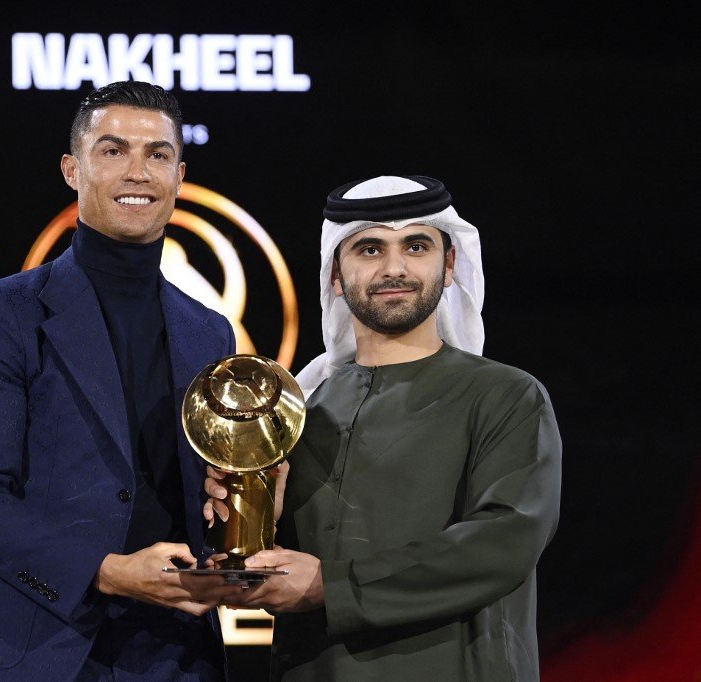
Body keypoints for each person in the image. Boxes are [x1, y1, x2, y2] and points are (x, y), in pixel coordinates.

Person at [0, 81, 244, 681]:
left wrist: (244, 506)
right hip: (30, 650)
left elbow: (196, 499)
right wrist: (105, 570)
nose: (137, 172)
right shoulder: (1, 313)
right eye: (112, 150)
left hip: (174, 656)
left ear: (180, 174)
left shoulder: (208, 332)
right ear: (73, 170)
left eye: (156, 154)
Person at [207, 176, 562, 680]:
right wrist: (256, 516)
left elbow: (503, 544)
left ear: (450, 265)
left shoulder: (506, 396)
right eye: (369, 248)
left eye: (416, 246)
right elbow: (267, 571)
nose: (394, 268)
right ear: (336, 274)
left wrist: (333, 587)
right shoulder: (302, 409)